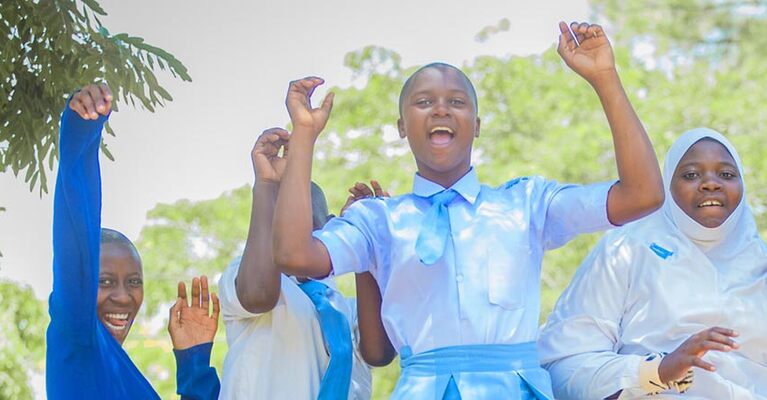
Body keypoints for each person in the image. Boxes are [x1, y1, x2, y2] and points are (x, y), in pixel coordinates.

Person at [271, 21, 664, 399]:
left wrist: (605, 78)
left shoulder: (527, 204)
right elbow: (294, 255)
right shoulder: (378, 221)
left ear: (476, 125)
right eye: (424, 102)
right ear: (401, 127)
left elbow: (642, 195)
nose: (441, 109)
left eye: (456, 102)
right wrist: (304, 134)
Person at [538, 128, 767, 399]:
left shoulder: (761, 264)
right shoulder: (625, 251)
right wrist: (657, 371)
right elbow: (562, 368)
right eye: (691, 174)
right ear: (667, 187)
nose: (710, 183)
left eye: (726, 174)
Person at [48, 84, 219, 399]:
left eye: (134, 281)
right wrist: (80, 133)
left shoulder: (123, 373)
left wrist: (194, 361)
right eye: (105, 281)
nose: (124, 296)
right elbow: (76, 238)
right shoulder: (76, 339)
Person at [217, 128, 372, 399]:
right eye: (279, 223)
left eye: (302, 226)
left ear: (329, 225)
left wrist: (364, 235)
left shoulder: (348, 311)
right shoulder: (246, 277)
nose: (290, 238)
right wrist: (266, 184)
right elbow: (257, 295)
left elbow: (380, 351)